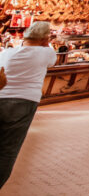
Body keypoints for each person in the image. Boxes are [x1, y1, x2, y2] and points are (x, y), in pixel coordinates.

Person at [0, 21, 57, 188]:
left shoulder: (7, 53)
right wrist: (46, 43)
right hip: (24, 102)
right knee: (7, 150)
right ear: (44, 39)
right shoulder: (46, 54)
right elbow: (52, 59)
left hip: (1, 96)